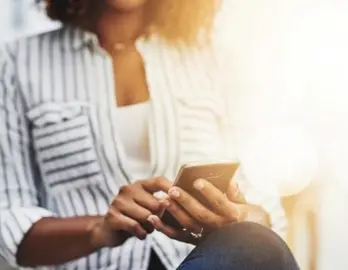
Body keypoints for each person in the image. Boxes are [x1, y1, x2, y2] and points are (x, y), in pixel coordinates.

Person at [0, 0, 298, 269]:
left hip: (205, 261)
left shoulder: (211, 58)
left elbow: (267, 213)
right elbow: (11, 225)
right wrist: (100, 228)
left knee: (255, 241)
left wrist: (235, 218)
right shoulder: (17, 63)